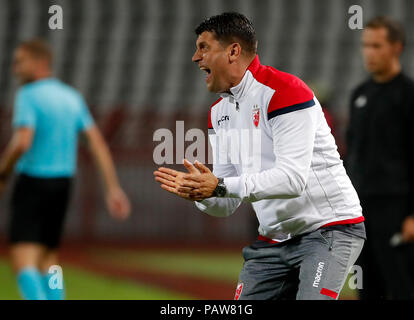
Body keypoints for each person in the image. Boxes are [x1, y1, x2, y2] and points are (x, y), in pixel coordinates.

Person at [154, 12, 365, 300]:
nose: (195, 57)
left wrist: (219, 185)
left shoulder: (286, 91)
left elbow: (292, 181)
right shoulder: (218, 113)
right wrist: (200, 193)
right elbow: (226, 202)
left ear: (233, 51)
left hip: (329, 230)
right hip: (273, 240)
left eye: (203, 47)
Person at [0, 39, 131, 300]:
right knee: (49, 260)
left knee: (23, 260)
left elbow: (22, 141)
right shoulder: (71, 97)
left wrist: (3, 173)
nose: (14, 68)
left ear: (40, 63)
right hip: (63, 185)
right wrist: (113, 189)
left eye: (20, 62)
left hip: (32, 182)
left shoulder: (28, 95)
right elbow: (97, 145)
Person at [345, 16, 414, 300]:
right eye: (365, 45)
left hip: (396, 210)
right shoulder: (359, 94)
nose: (369, 53)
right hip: (361, 211)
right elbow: (353, 155)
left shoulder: (409, 94)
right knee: (366, 287)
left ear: (396, 48)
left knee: (401, 287)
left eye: (376, 45)